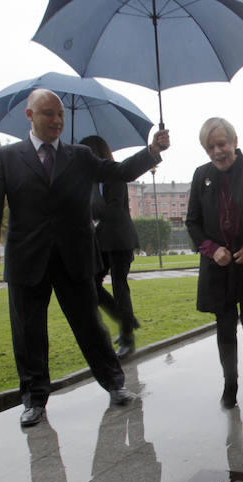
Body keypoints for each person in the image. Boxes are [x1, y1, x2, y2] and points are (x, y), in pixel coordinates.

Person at [0, 89, 170, 427]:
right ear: (30, 116)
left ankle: (115, 385)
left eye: (60, 114)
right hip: (27, 260)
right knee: (28, 333)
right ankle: (34, 400)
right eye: (49, 113)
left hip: (74, 257)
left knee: (91, 328)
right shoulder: (7, 158)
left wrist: (152, 151)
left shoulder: (79, 156)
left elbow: (119, 172)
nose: (57, 120)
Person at [186, 118, 243, 409]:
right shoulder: (201, 176)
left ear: (234, 141)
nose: (217, 151)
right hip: (219, 269)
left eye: (222, 144)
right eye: (210, 147)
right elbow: (193, 222)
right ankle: (230, 385)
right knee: (225, 328)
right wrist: (212, 249)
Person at [80, 135, 140, 360]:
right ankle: (127, 320)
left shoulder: (115, 176)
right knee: (92, 286)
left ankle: (127, 338)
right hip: (102, 241)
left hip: (120, 239)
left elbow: (113, 212)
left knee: (119, 286)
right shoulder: (92, 180)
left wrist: (91, 207)